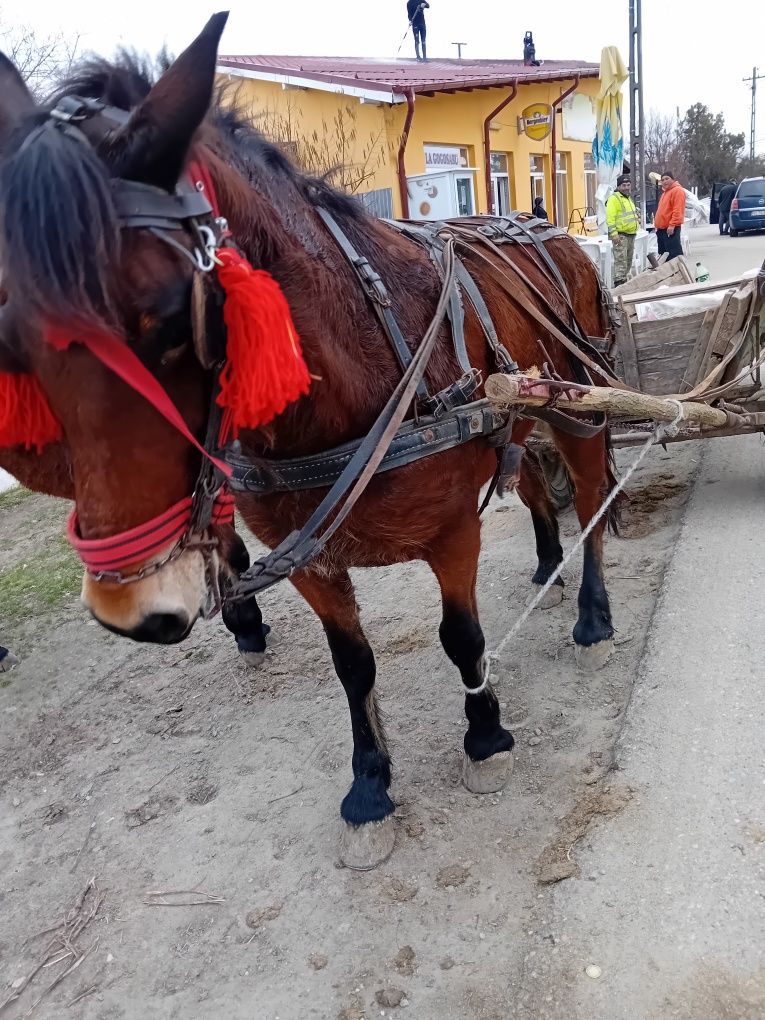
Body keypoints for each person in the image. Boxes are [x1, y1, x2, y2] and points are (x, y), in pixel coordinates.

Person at [606, 173, 640, 286]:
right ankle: (619, 285)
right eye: (624, 185)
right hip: (620, 236)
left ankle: (624, 283)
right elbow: (610, 218)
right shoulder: (614, 198)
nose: (626, 187)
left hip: (631, 234)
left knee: (628, 262)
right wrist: (614, 234)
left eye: (628, 185)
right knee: (621, 262)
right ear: (619, 186)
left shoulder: (628, 198)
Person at [654, 170, 686, 261]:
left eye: (667, 178)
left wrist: (672, 225)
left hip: (670, 229)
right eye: (662, 180)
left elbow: (678, 210)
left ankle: (678, 273)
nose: (664, 181)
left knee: (674, 255)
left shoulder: (677, 191)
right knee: (664, 256)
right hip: (662, 229)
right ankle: (669, 274)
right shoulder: (665, 193)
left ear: (673, 179)